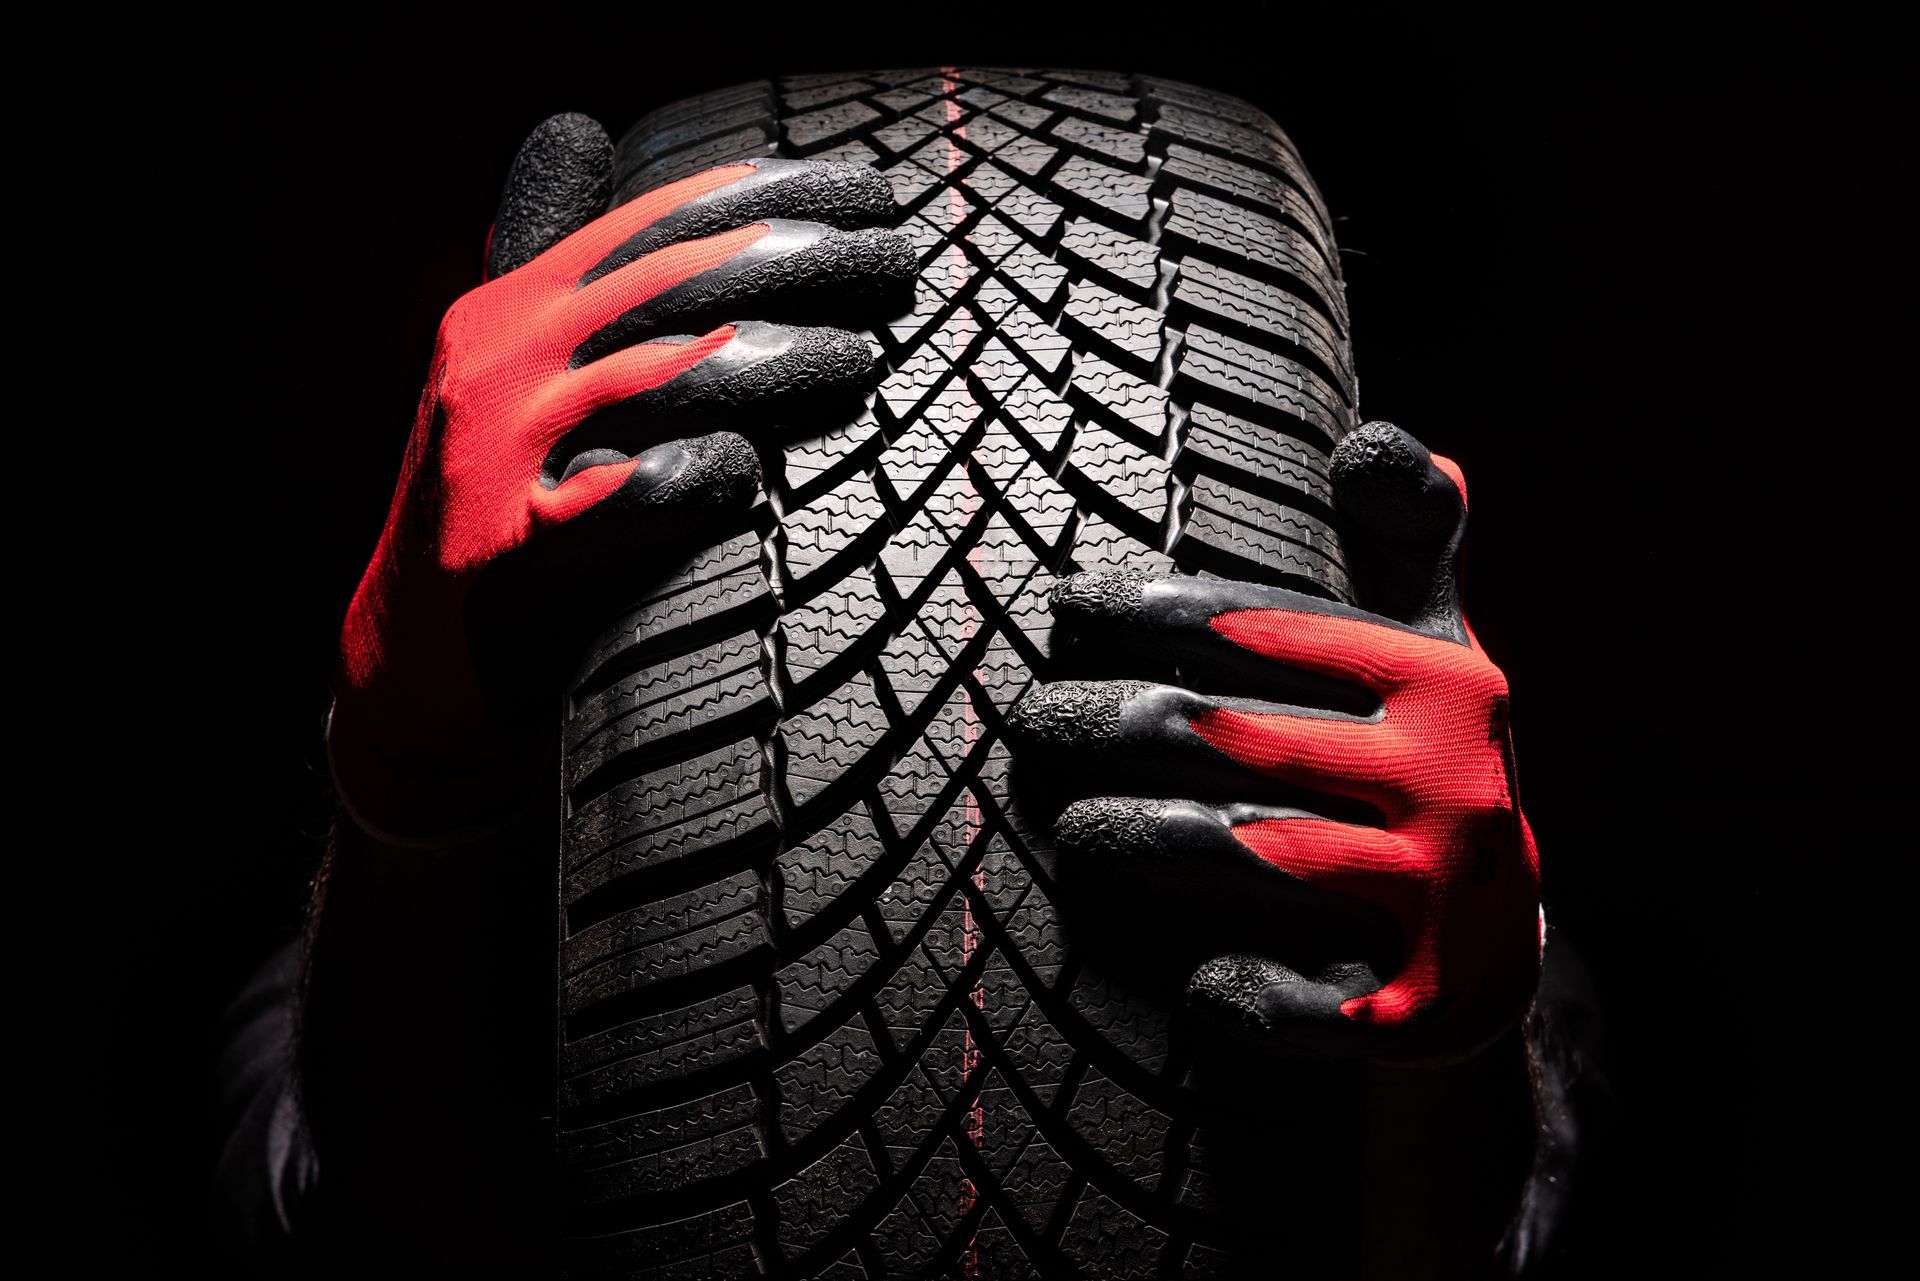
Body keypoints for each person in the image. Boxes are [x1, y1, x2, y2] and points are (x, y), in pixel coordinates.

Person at [214, 113, 1610, 1279]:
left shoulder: (1513, 968)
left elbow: (1541, 1238)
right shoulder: (566, 865)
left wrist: (1471, 1045)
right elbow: (320, 1212)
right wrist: (418, 797)